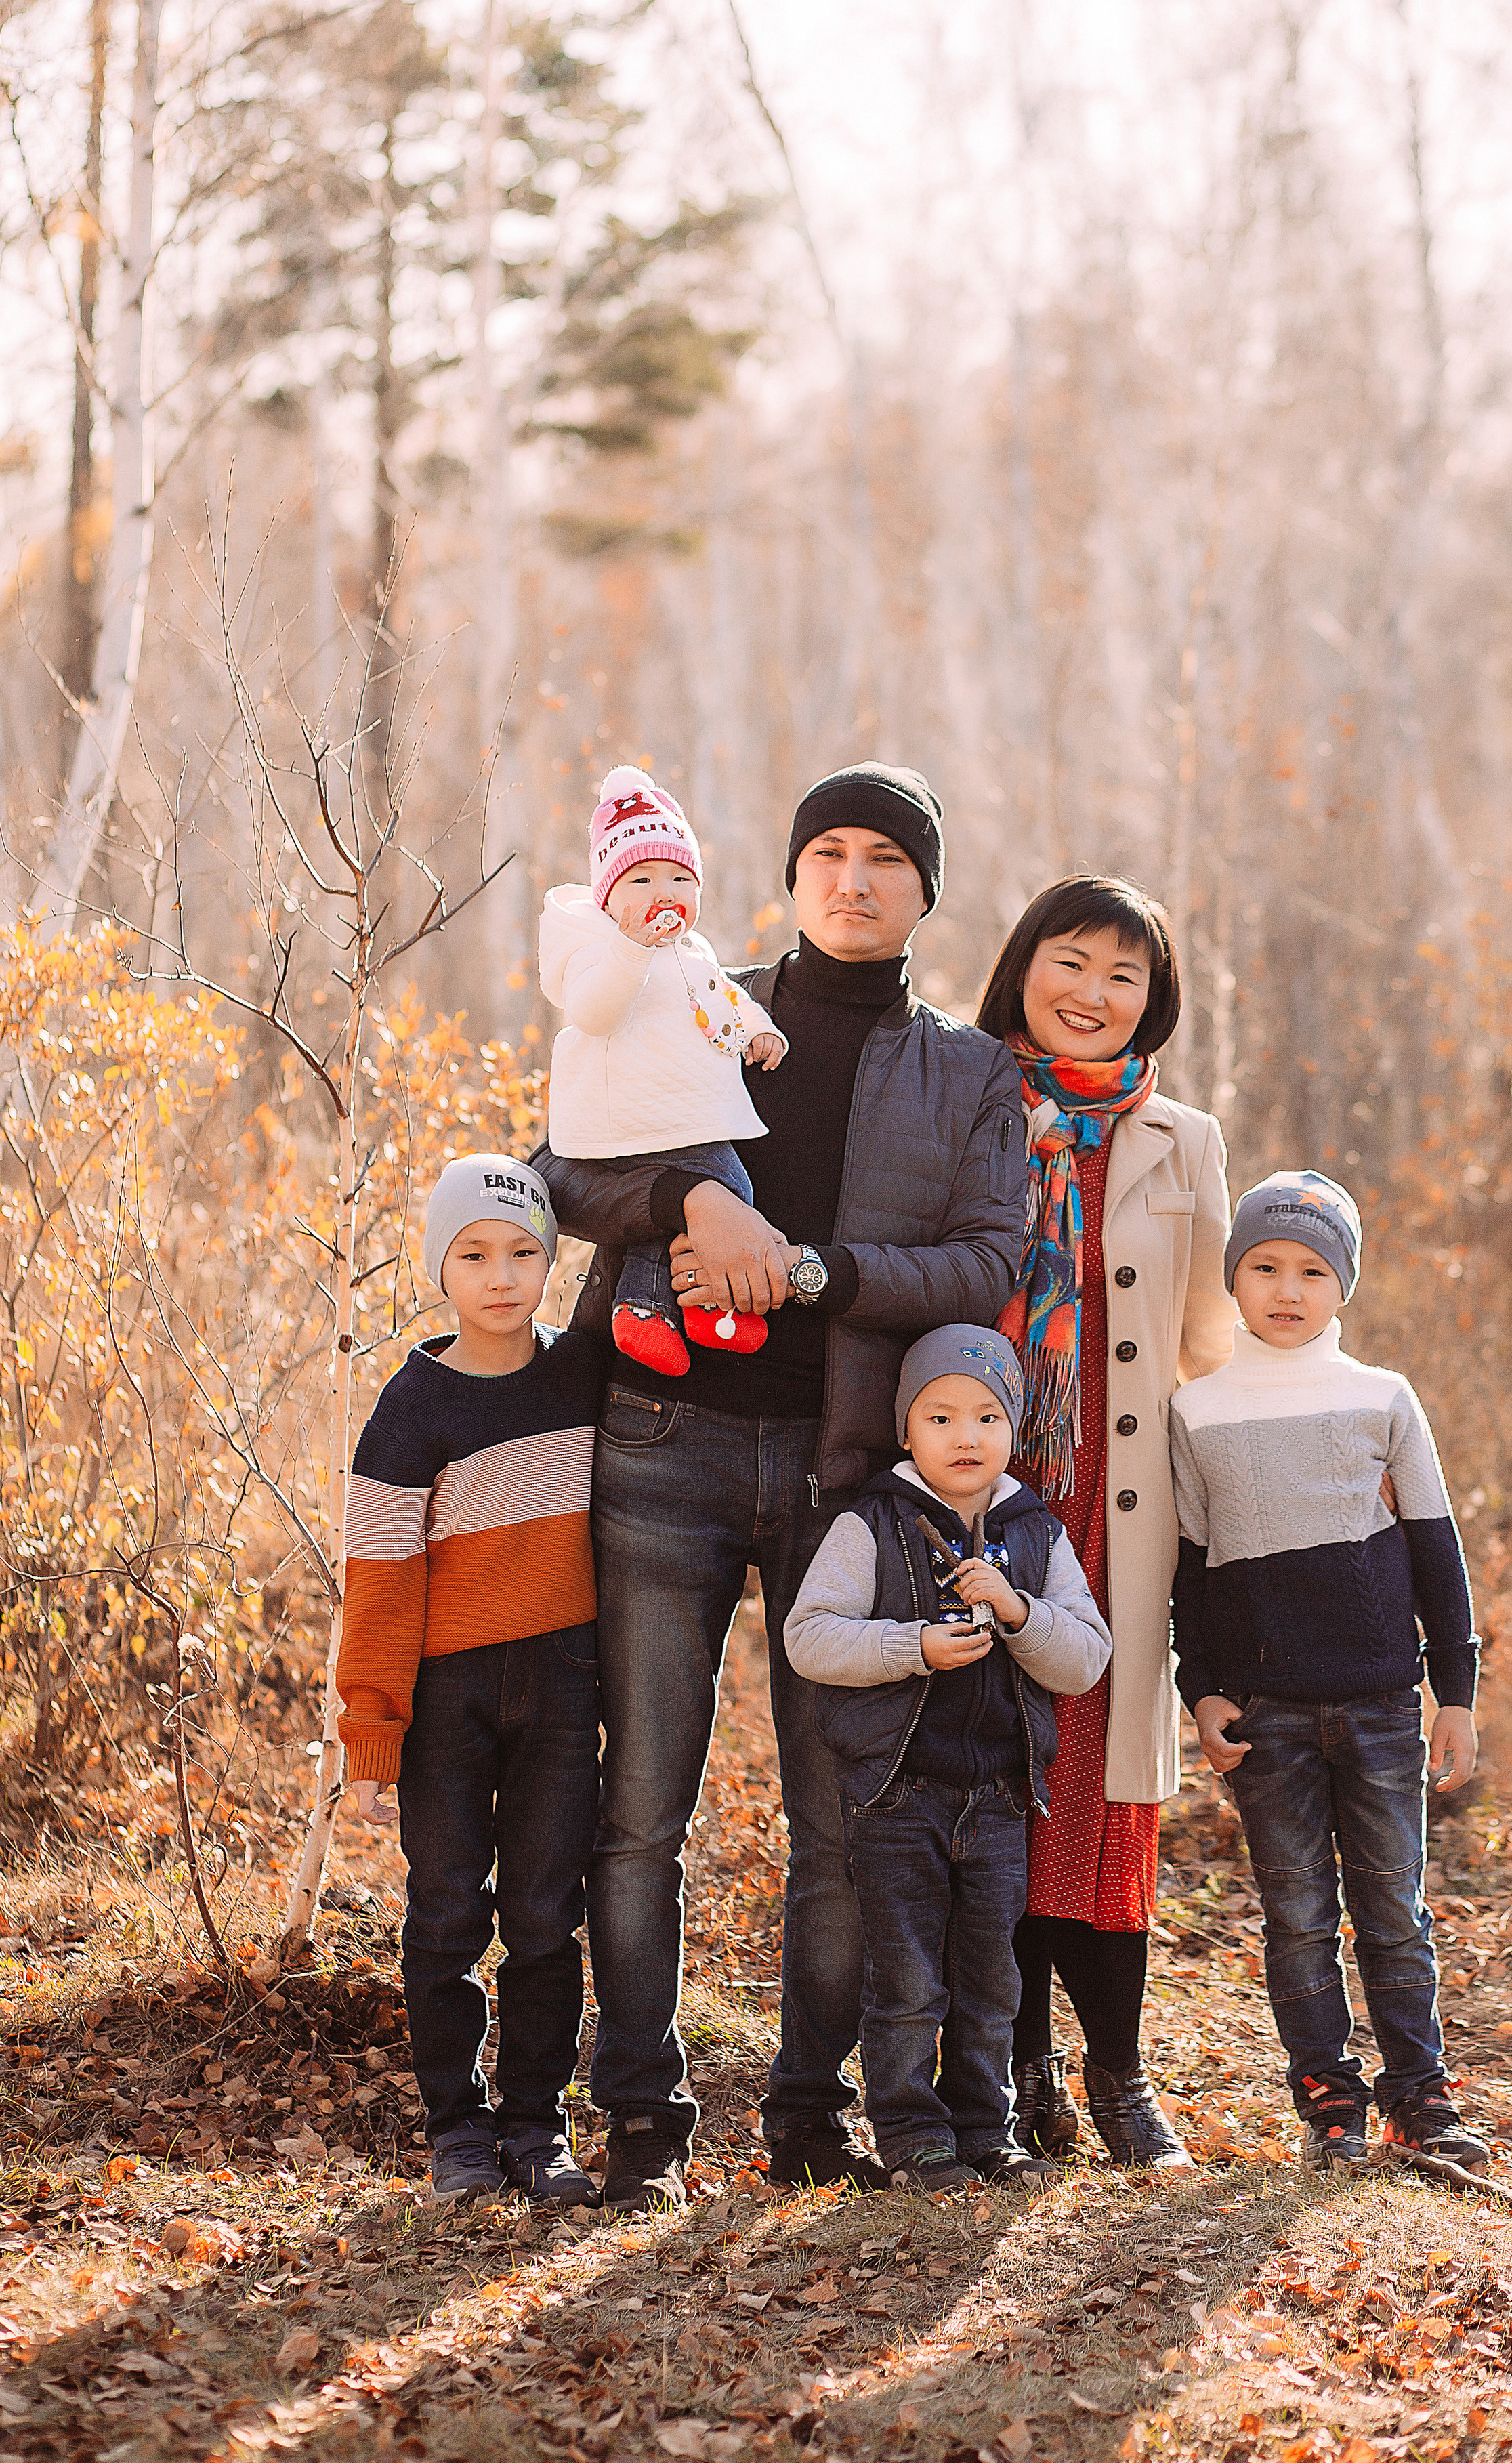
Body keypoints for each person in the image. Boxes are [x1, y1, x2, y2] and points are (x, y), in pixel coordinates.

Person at [531, 761, 1030, 2210]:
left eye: (887, 857)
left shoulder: (964, 1070)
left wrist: (815, 1273)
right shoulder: (686, 988)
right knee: (643, 1805)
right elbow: (559, 1169)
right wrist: (689, 1196)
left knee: (840, 1811)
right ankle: (642, 2126)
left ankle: (806, 2117)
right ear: (791, 870)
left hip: (849, 1476)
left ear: (925, 890)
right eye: (829, 851)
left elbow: (991, 1263)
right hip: (660, 1446)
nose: (854, 877)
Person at [975, 876, 1233, 2170]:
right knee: (1008, 1785)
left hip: (1120, 1514)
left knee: (1109, 1793)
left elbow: (1211, 1350)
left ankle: (1121, 2076)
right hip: (990, 1502)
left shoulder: (1184, 1139)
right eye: (1068, 961)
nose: (1092, 992)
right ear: (1024, 965)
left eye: (1123, 975)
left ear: (1155, 1000)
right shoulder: (968, 1103)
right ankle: (1018, 2069)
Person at [1169, 1169, 1490, 2169]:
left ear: (1343, 1285)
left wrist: (1458, 1694)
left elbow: (1437, 1551)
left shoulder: (1382, 1399)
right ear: (1234, 1280)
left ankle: (1420, 2091)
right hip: (1266, 1714)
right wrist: (1202, 1684)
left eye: (1313, 1269)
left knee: (1395, 1905)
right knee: (1297, 1912)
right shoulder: (1199, 1410)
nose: (1287, 1289)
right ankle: (1328, 2098)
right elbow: (1190, 1567)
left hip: (1383, 1704)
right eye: (1263, 1267)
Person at [784, 1326, 1111, 2191]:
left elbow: (1085, 1657)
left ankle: (985, 2130)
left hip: (999, 1799)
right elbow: (808, 1638)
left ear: (1013, 1429)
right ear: (907, 1431)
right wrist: (912, 1647)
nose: (964, 1437)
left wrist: (1017, 1612)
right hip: (899, 1795)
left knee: (989, 1980)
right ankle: (912, 2135)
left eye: (986, 1416)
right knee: (907, 1980)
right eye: (939, 1416)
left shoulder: (1034, 1534)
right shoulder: (873, 1522)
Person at [337, 1154, 604, 2204]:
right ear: (440, 1266)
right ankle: (458, 2130)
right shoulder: (412, 1409)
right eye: (475, 1255)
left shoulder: (581, 1373)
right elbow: (380, 1580)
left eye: (524, 1254)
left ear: (550, 1261)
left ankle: (537, 2128)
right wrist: (372, 1723)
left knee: (546, 1912)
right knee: (446, 1909)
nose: (501, 1276)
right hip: (447, 1692)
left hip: (565, 1677)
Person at [539, 767, 788, 1380]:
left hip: (682, 1118)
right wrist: (630, 950)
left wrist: (757, 1030)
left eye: (680, 877)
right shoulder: (596, 946)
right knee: (723, 1187)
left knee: (724, 1192)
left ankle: (691, 1310)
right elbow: (594, 1011)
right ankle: (654, 1306)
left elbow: (720, 997)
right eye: (643, 878)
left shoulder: (693, 953)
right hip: (627, 1122)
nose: (664, 891)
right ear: (608, 895)